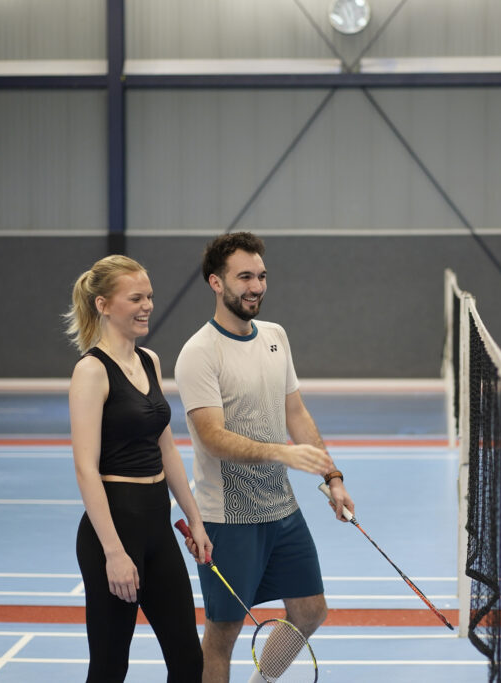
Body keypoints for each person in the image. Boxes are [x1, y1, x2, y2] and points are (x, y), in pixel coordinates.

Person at [174, 232, 354, 683]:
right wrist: (280, 453)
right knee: (223, 634)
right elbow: (212, 437)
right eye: (244, 277)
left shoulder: (275, 337)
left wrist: (332, 476)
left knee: (310, 611)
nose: (256, 286)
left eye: (261, 276)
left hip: (282, 510)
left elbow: (296, 411)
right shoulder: (199, 353)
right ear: (216, 282)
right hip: (227, 518)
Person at [65, 254, 212, 682]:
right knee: (111, 667)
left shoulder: (149, 360)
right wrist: (113, 553)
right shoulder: (91, 371)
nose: (148, 305)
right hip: (113, 530)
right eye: (136, 298)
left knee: (188, 661)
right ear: (104, 305)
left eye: (149, 296)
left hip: (157, 526)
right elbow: (85, 469)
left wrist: (195, 518)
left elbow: (166, 447)